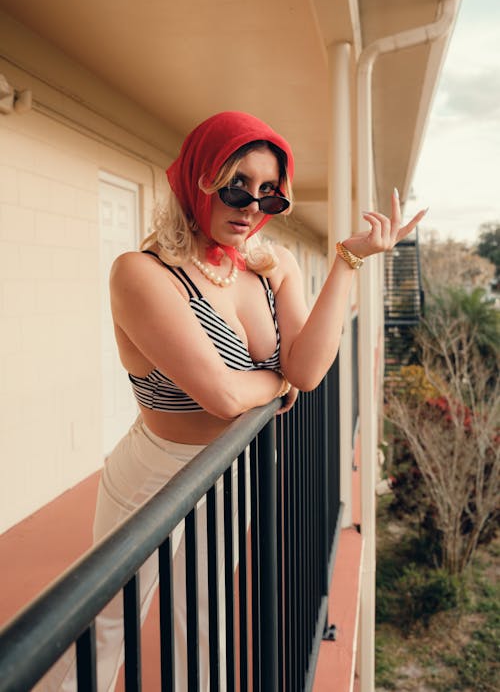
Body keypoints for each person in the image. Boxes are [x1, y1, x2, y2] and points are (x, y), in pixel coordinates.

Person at [38, 111, 426, 691]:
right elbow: (222, 395)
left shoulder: (272, 270)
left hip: (230, 475)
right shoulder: (143, 274)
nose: (250, 205)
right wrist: (277, 385)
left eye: (269, 193)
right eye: (237, 183)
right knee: (101, 626)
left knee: (204, 629)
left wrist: (348, 258)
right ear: (199, 177)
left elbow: (310, 370)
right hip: (155, 472)